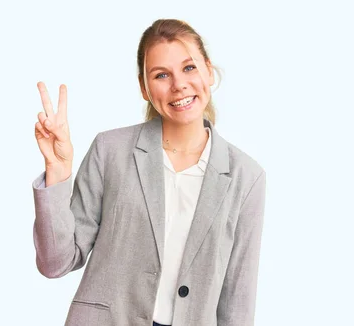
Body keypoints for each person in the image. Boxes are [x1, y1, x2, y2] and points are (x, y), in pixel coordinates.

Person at [31, 19, 266, 326]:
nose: (178, 84)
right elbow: (56, 262)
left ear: (209, 71)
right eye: (161, 75)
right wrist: (58, 172)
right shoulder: (110, 150)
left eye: (189, 68)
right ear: (144, 87)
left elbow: (238, 302)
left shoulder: (246, 177)